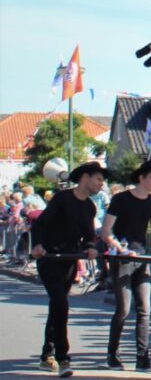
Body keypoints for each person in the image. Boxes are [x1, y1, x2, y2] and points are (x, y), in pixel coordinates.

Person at [30, 161, 107, 377]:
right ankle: (63, 358)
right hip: (50, 258)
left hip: (69, 261)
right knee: (61, 304)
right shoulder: (62, 199)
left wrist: (90, 247)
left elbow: (89, 235)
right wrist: (37, 245)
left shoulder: (90, 206)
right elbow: (40, 224)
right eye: (99, 179)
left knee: (58, 306)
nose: (102, 184)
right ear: (85, 178)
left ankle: (47, 354)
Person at [101, 160, 151, 372]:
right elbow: (106, 231)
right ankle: (113, 354)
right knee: (123, 309)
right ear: (141, 178)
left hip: (142, 258)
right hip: (122, 258)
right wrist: (119, 249)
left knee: (145, 308)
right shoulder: (121, 199)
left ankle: (143, 357)